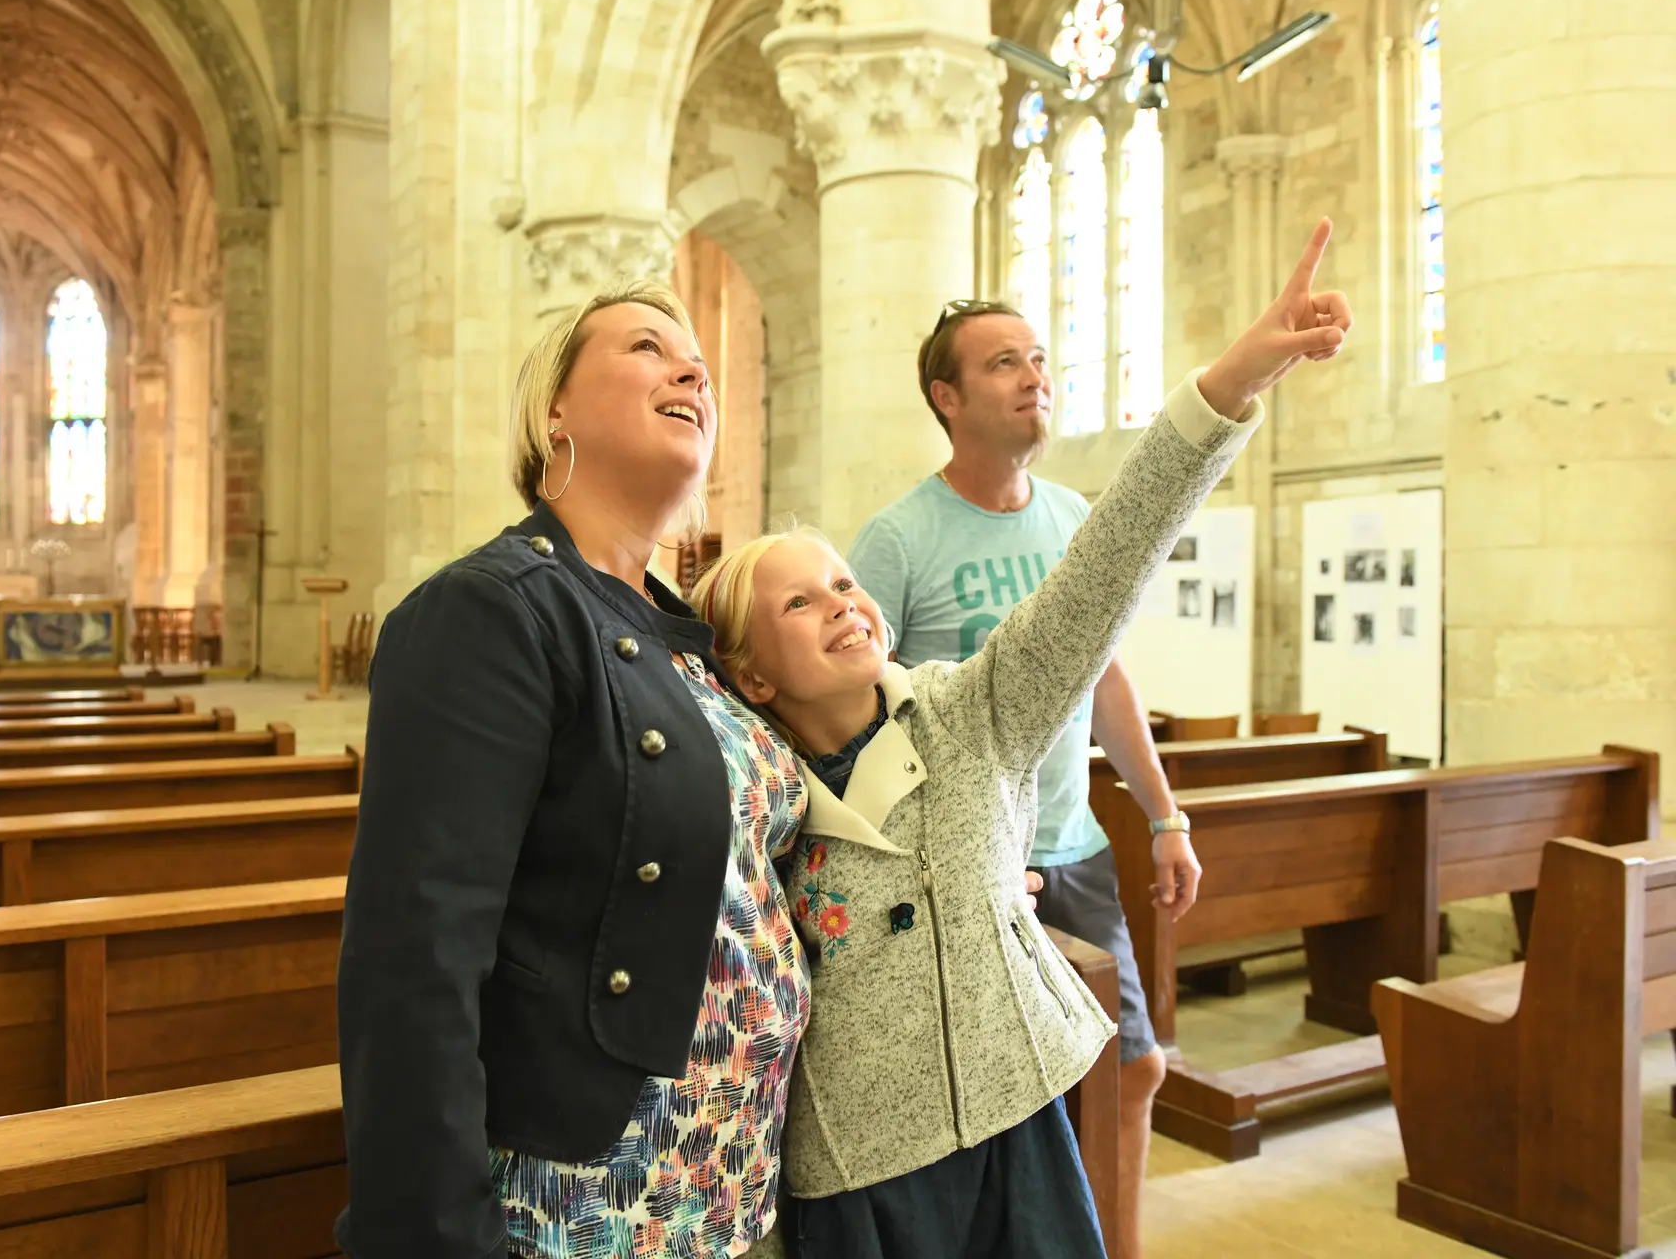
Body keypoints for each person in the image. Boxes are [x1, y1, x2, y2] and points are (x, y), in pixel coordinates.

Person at [691, 220, 1351, 1257]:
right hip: (860, 1168)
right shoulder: (753, 803)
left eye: (844, 586)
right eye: (800, 603)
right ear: (752, 672)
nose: (844, 604)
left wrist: (1237, 374)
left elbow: (1112, 559)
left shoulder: (970, 714)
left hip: (1013, 1115)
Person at [335, 281, 809, 1257]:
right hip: (585, 1201)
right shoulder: (493, 611)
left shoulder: (687, 640)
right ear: (554, 410)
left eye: (699, 364)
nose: (691, 369)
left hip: (735, 1178)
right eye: (647, 348)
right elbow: (414, 959)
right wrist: (432, 1238)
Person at [843, 304, 1200, 1259]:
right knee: (998, 1104)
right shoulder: (897, 541)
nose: (1035, 376)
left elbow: (1107, 677)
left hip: (1071, 850)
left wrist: (1164, 815)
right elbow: (851, 712)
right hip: (967, 878)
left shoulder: (1074, 519)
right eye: (1005, 363)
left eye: (1039, 358)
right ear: (947, 398)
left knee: (1135, 1069)